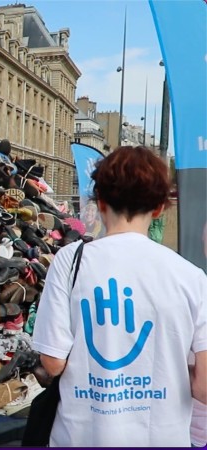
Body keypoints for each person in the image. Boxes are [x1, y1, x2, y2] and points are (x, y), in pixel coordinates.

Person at [32, 146, 207, 447]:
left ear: (100, 202)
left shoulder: (70, 260)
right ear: (159, 209)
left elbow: (52, 363)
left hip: (81, 436)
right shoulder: (191, 277)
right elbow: (204, 387)